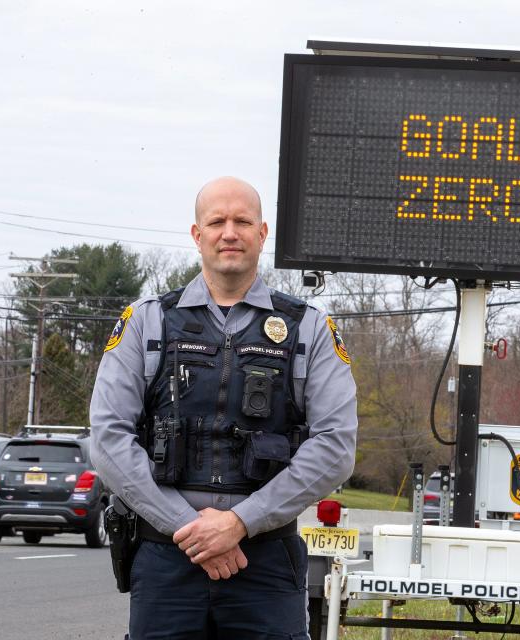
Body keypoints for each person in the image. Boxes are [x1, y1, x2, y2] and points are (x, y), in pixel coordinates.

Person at [90, 176, 358, 639]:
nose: (229, 232)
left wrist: (239, 523)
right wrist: (191, 530)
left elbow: (336, 447)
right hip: (166, 561)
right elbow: (108, 438)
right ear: (197, 234)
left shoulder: (308, 329)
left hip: (266, 563)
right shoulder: (146, 322)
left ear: (262, 233)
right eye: (217, 221)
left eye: (242, 221)